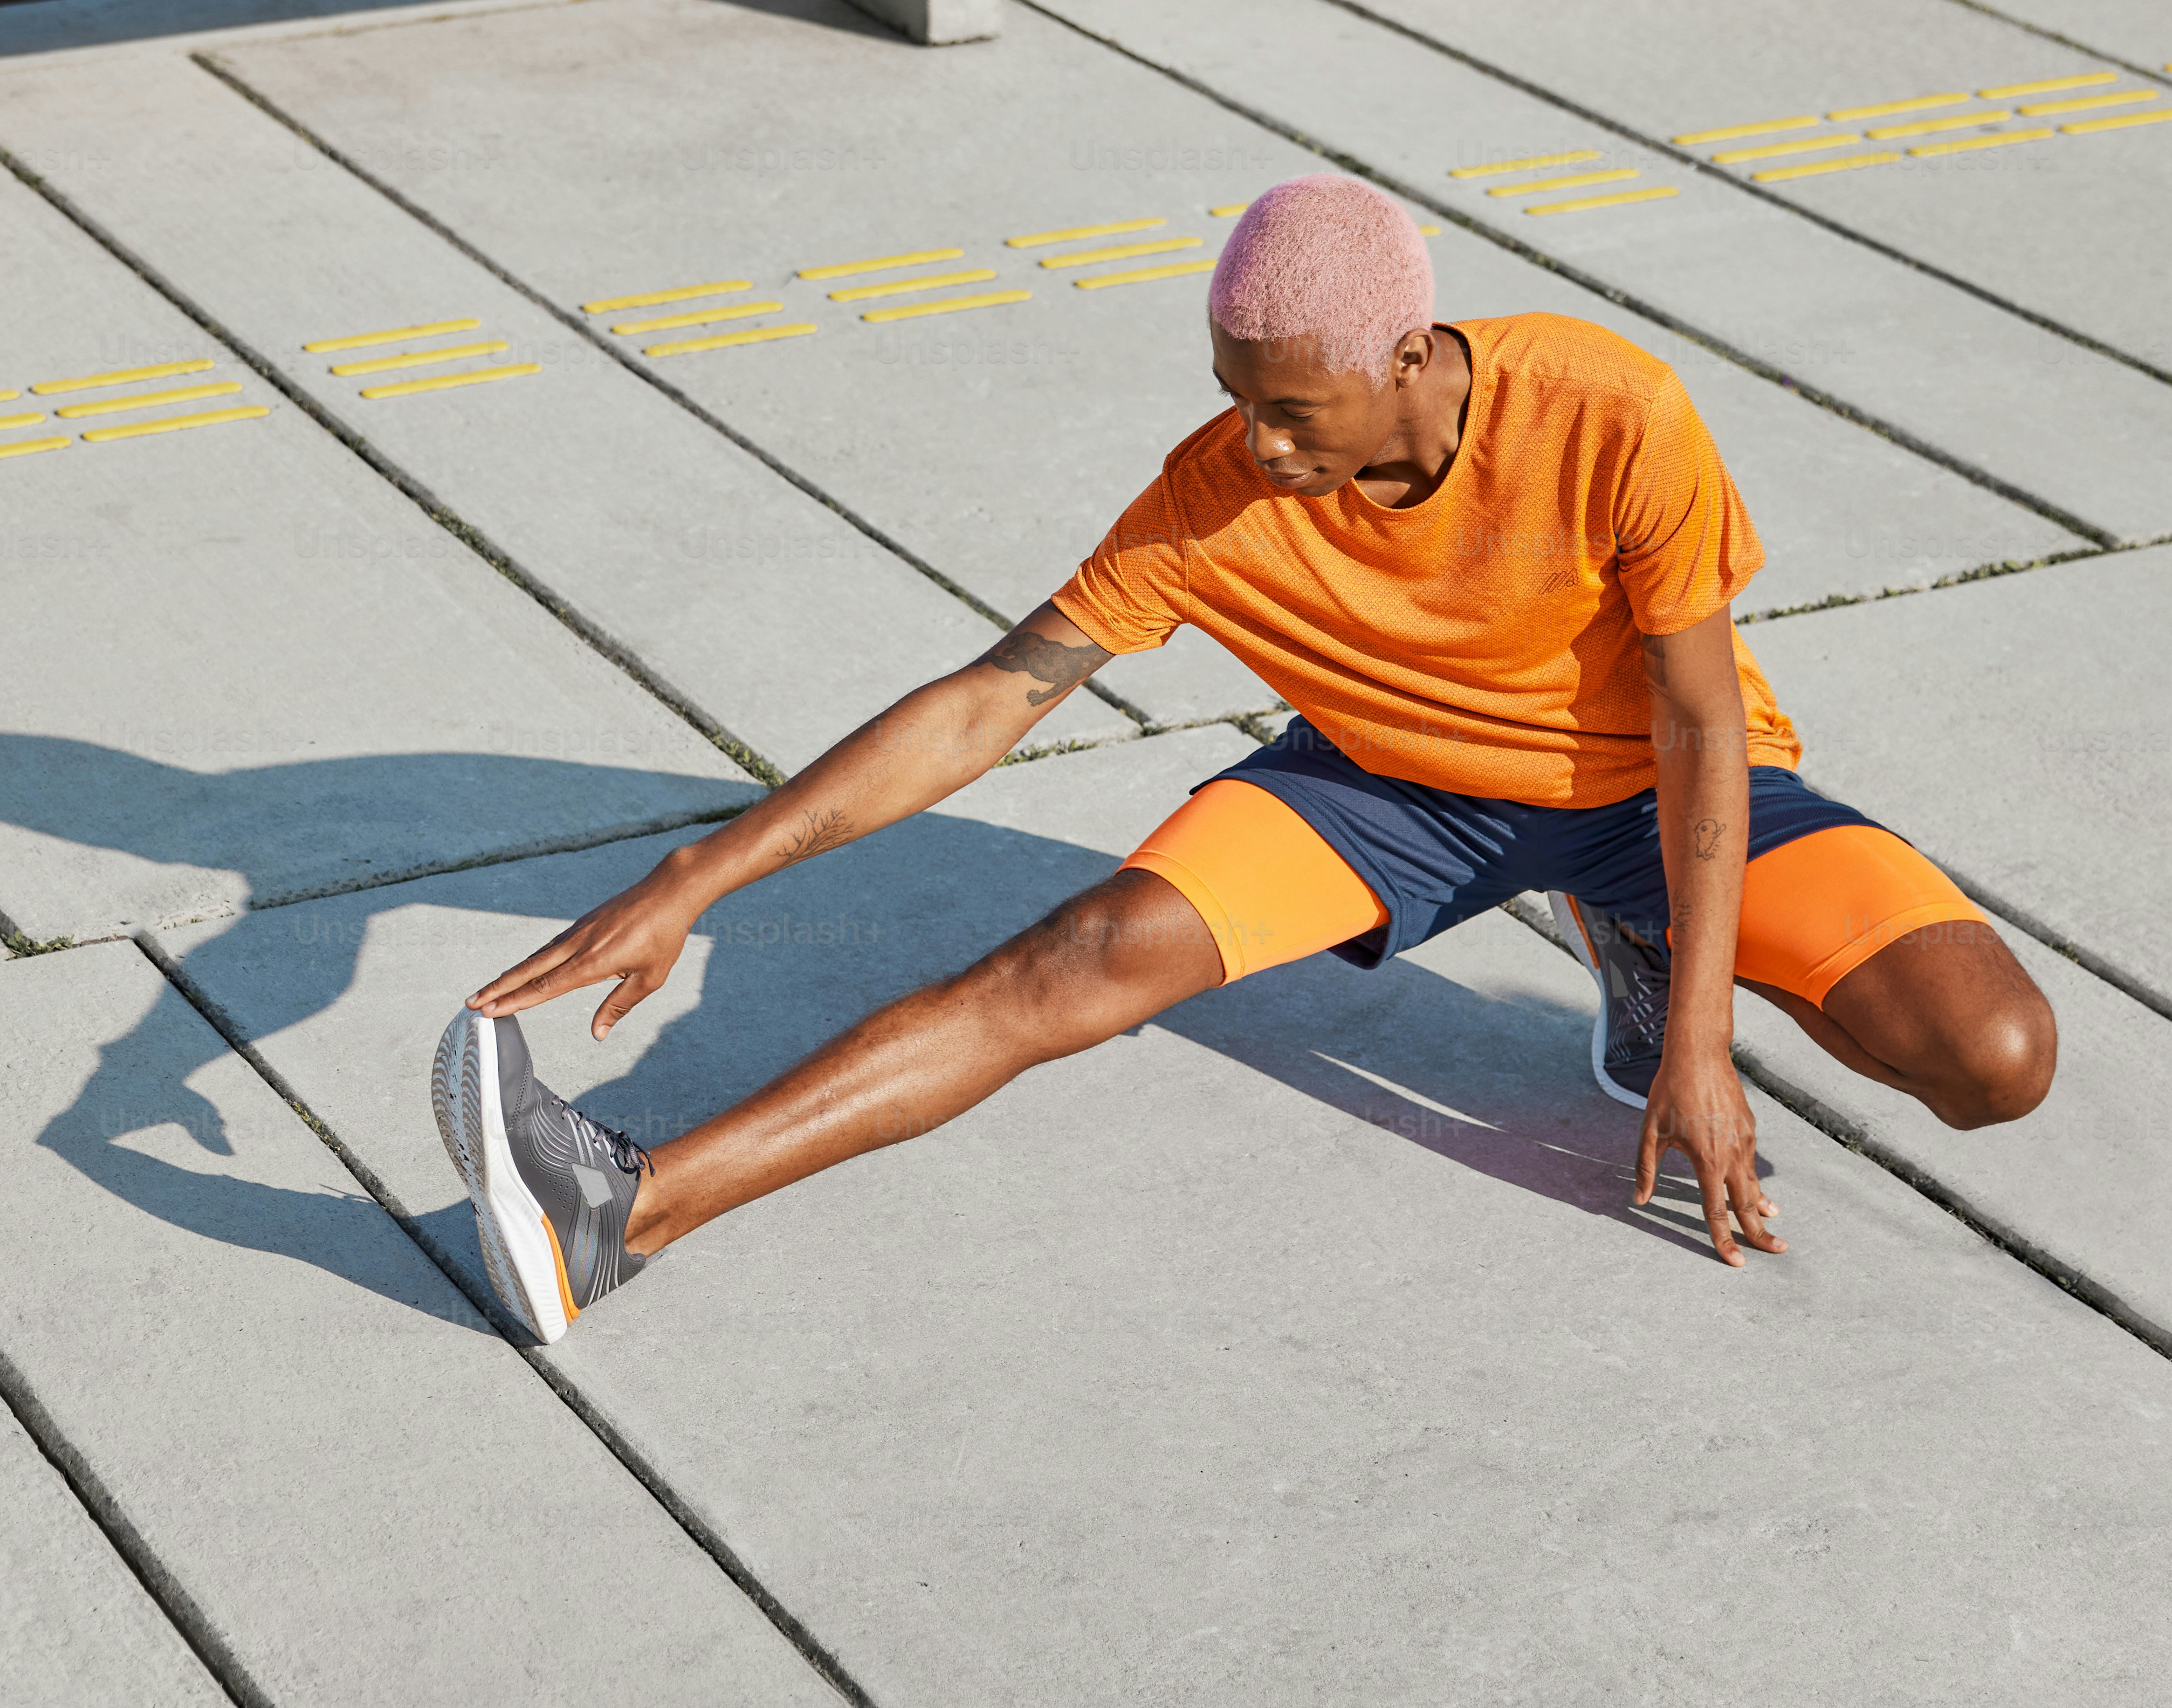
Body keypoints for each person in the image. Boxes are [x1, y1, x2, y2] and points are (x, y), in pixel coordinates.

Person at [434, 172, 2056, 1345]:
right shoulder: (1217, 488)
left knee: (1994, 1056)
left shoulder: (1610, 409)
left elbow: (1704, 724)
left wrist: (1701, 1037)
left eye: (1292, 413)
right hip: (1388, 791)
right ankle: (622, 1206)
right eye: (1236, 403)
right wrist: (696, 871)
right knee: (1074, 958)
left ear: (1411, 358)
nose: (1261, 451)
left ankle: (1635, 951)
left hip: (1661, 790)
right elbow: (994, 696)